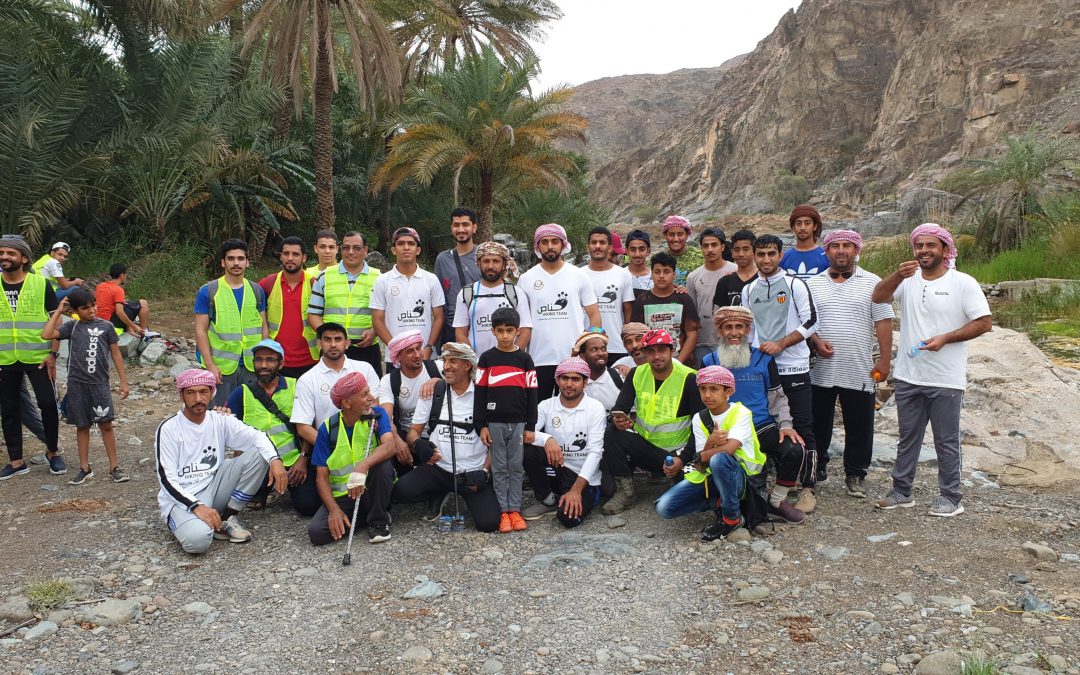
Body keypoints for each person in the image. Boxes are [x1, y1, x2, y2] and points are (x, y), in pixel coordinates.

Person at [872, 224, 992, 517]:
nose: (924, 250)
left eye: (930, 245)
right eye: (919, 246)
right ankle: (901, 492)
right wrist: (897, 274)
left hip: (945, 378)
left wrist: (946, 338)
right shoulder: (908, 280)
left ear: (945, 249)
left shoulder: (962, 282)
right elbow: (878, 297)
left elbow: (984, 322)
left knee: (946, 440)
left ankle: (951, 498)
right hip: (908, 375)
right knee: (907, 437)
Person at [155, 369, 288, 554]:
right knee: (198, 542)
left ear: (212, 393)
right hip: (184, 496)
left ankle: (227, 517)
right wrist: (196, 506)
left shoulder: (220, 419)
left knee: (261, 453)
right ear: (181, 396)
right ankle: (184, 521)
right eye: (191, 393)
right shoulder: (169, 428)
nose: (198, 398)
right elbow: (166, 479)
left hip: (215, 485)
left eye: (204, 392)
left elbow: (257, 437)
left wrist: (275, 460)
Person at [807, 231, 895, 499]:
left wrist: (884, 360)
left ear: (857, 250)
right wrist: (816, 341)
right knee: (817, 422)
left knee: (860, 423)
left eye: (847, 246)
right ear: (826, 251)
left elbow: (883, 322)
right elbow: (804, 321)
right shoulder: (812, 284)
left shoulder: (873, 282)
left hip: (858, 366)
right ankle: (817, 468)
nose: (841, 250)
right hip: (819, 368)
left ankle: (856, 473)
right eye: (835, 246)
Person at [703, 306, 808, 523]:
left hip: (761, 426)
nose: (734, 333)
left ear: (748, 330)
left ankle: (777, 501)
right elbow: (703, 400)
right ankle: (729, 505)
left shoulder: (763, 360)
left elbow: (778, 397)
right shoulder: (709, 361)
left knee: (794, 449)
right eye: (728, 327)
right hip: (727, 431)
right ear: (719, 331)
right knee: (733, 473)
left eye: (739, 326)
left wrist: (786, 425)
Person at [740, 233, 820, 509]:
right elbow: (748, 327)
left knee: (803, 425)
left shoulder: (795, 284)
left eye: (771, 253)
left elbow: (812, 321)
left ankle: (808, 487)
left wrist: (781, 344)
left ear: (780, 255)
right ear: (754, 256)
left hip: (794, 366)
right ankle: (781, 480)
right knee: (770, 424)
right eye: (761, 254)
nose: (766, 259)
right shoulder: (749, 289)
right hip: (763, 368)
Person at [393, 343, 501, 532]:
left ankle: (458, 492)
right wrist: (418, 444)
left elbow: (497, 441)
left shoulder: (485, 395)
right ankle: (440, 492)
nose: (446, 366)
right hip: (438, 468)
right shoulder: (434, 392)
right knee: (401, 491)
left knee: (489, 523)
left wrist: (485, 472)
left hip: (471, 473)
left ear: (467, 365)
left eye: (453, 361)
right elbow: (413, 432)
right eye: (444, 361)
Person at [654, 366, 765, 540]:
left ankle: (731, 518)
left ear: (729, 391)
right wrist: (711, 441)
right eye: (703, 389)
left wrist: (702, 455)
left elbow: (728, 450)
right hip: (711, 478)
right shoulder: (699, 418)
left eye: (714, 389)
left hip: (743, 481)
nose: (707, 395)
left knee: (719, 459)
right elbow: (700, 467)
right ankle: (718, 503)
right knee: (664, 507)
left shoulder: (740, 413)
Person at [602, 329, 702, 514]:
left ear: (672, 351)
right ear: (645, 353)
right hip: (646, 448)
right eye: (650, 351)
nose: (656, 356)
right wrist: (617, 419)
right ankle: (625, 492)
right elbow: (620, 407)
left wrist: (683, 458)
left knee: (690, 494)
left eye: (661, 350)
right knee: (613, 432)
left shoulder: (690, 378)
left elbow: (701, 426)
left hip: (678, 452)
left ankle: (673, 477)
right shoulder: (636, 373)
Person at [42, 288, 129, 485]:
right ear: (74, 310)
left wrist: (123, 381)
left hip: (99, 384)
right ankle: (84, 468)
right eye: (85, 308)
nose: (91, 310)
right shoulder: (71, 327)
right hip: (77, 385)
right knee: (82, 426)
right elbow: (46, 334)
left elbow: (116, 354)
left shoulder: (106, 326)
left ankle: (114, 467)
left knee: (106, 424)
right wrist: (58, 310)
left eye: (93, 305)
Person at [224, 339, 320, 516]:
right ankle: (262, 491)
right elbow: (229, 429)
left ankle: (284, 486)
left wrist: (303, 459)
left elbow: (309, 425)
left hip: (294, 462)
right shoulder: (242, 392)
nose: (263, 365)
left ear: (281, 363)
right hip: (259, 465)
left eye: (270, 360)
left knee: (308, 506)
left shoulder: (296, 386)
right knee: (246, 501)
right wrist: (240, 470)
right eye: (259, 360)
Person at [0, 234, 66, 479]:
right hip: (5, 359)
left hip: (38, 356)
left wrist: (53, 354)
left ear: (24, 258)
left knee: (48, 404)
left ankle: (52, 452)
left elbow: (56, 320)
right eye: (1, 252)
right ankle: (16, 461)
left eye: (11, 253)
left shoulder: (41, 284)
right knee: (8, 410)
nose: (4, 257)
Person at [308, 372, 397, 545]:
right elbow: (321, 477)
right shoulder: (327, 428)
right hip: (345, 496)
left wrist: (363, 465)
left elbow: (389, 445)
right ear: (347, 403)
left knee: (383, 465)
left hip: (372, 489)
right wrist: (334, 510)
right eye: (365, 394)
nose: (371, 398)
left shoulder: (377, 414)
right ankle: (363, 517)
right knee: (317, 533)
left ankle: (378, 521)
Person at [522, 356, 609, 525]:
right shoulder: (546, 405)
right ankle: (548, 499)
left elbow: (595, 452)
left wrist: (576, 491)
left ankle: (579, 495)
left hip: (581, 476)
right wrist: (547, 439)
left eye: (575, 379)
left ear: (585, 382)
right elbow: (526, 433)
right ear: (557, 380)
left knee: (568, 519)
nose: (569, 384)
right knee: (527, 449)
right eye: (565, 378)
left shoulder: (595, 408)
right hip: (557, 468)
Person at [518, 223, 601, 400]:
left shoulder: (579, 275)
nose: (550, 246)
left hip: (573, 359)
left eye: (555, 241)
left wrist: (589, 350)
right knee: (538, 409)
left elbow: (594, 314)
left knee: (573, 409)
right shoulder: (526, 279)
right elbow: (522, 323)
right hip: (538, 360)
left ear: (563, 244)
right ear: (537, 246)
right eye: (544, 242)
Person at [474, 308, 538, 532]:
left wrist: (531, 426)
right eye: (500, 330)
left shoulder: (525, 359)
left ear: (517, 331)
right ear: (492, 331)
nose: (504, 335)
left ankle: (515, 510)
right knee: (499, 467)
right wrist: (481, 425)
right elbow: (480, 394)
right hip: (494, 423)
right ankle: (503, 511)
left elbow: (533, 394)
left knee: (516, 467)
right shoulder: (486, 359)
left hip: (519, 423)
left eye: (509, 330)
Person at [291, 322, 381, 461]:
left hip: (367, 446)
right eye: (327, 339)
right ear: (319, 343)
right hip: (329, 451)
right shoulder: (307, 379)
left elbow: (375, 406)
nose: (333, 345)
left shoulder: (365, 368)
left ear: (347, 343)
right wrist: (335, 449)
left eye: (338, 339)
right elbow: (303, 427)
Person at [194, 239, 268, 406]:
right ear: (223, 262)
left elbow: (263, 326)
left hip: (251, 366)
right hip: (221, 368)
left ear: (247, 262)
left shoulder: (256, 291)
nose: (236, 263)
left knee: (249, 412)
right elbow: (200, 331)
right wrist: (210, 365)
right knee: (219, 413)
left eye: (240, 258)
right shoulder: (209, 291)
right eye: (231, 258)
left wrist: (264, 361)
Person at [307, 231, 382, 376]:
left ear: (365, 250)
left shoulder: (379, 278)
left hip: (366, 349)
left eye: (357, 248)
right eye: (346, 248)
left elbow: (388, 314)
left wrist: (375, 331)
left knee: (370, 389)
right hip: (332, 351)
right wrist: (329, 337)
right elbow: (313, 314)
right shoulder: (324, 276)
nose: (351, 252)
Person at [371, 227, 445, 371]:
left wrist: (429, 347)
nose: (406, 247)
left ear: (418, 250)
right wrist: (395, 349)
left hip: (425, 355)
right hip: (396, 358)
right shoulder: (382, 281)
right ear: (394, 250)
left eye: (411, 243)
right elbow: (377, 320)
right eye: (401, 243)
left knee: (429, 386)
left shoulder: (431, 279)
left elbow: (439, 317)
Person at [377, 330, 442, 473]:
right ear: (398, 357)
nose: (417, 355)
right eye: (410, 351)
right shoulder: (389, 381)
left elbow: (465, 380)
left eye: (418, 348)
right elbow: (386, 419)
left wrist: (439, 381)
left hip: (441, 434)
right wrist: (397, 441)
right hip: (409, 438)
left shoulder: (438, 368)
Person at [452, 240, 531, 353]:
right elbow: (460, 332)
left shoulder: (516, 293)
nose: (490, 266)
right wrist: (472, 360)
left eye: (496, 261)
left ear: (504, 264)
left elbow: (525, 330)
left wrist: (513, 358)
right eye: (486, 261)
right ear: (478, 263)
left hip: (509, 361)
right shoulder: (467, 293)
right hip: (477, 361)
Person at [258, 237, 317, 378]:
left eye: (295, 254)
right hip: (277, 362)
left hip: (310, 361)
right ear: (281, 256)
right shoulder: (268, 283)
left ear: (304, 258)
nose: (290, 258)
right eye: (286, 254)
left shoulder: (314, 284)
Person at [630, 252, 699, 365]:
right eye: (657, 272)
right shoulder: (641, 301)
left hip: (680, 362)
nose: (661, 276)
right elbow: (637, 336)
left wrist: (678, 363)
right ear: (652, 274)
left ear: (674, 274)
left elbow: (692, 334)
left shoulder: (684, 299)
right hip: (651, 363)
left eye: (666, 271)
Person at [582, 227, 635, 363]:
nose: (597, 246)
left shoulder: (623, 275)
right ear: (588, 247)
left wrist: (628, 340)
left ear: (610, 247)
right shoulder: (578, 275)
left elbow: (628, 311)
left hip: (616, 346)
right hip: (586, 346)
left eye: (602, 242)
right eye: (594, 242)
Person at [687, 228, 737, 365]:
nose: (710, 250)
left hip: (732, 340)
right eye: (705, 246)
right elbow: (691, 315)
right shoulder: (693, 277)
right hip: (703, 342)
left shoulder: (736, 271)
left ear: (722, 247)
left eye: (714, 245)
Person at [435, 207, 481, 346]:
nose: (461, 229)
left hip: (480, 324)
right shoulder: (442, 259)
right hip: (452, 326)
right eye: (456, 225)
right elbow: (439, 298)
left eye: (465, 224)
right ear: (451, 228)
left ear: (474, 228)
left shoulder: (484, 257)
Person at [571, 329, 623, 411]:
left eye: (603, 349)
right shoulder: (572, 382)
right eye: (594, 350)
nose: (601, 353)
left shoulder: (620, 377)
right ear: (582, 356)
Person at [95, 264, 151, 336]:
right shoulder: (118, 290)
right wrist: (135, 326)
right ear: (122, 275)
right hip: (110, 322)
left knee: (126, 304)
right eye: (125, 275)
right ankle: (144, 332)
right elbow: (119, 312)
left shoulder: (100, 286)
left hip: (98, 319)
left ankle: (129, 330)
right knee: (143, 303)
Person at [780, 205, 829, 280]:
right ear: (793, 227)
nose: (802, 228)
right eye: (798, 223)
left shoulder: (826, 256)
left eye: (807, 223)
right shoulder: (784, 258)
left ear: (815, 226)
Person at [712, 230, 758, 309]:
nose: (741, 254)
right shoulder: (725, 282)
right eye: (737, 250)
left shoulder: (764, 279)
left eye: (746, 249)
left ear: (754, 251)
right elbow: (720, 312)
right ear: (732, 253)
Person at [661, 215, 704, 287]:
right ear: (665, 236)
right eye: (671, 235)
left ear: (687, 235)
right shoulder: (658, 260)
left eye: (680, 234)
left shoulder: (701, 257)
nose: (676, 239)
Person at [625, 230, 654, 300]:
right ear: (627, 251)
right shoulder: (620, 275)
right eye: (633, 249)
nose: (637, 254)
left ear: (648, 251)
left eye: (641, 249)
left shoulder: (656, 278)